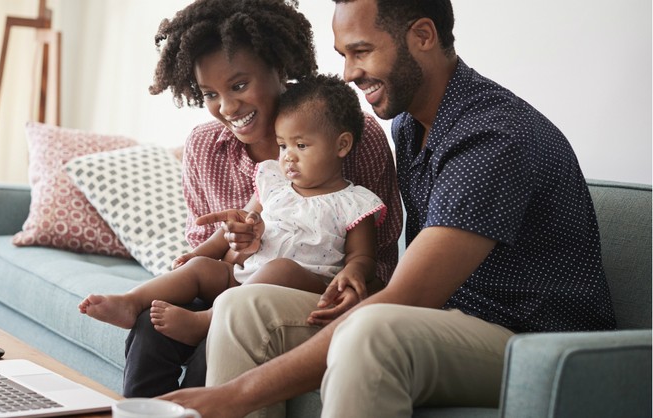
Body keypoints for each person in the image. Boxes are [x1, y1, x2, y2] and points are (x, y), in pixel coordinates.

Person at [157, 0, 617, 417]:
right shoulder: (411, 127)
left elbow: (407, 298)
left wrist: (235, 395)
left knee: (370, 333)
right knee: (244, 307)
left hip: (536, 343)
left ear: (422, 36)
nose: (348, 74)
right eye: (343, 55)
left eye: (361, 51)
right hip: (446, 320)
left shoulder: (492, 137)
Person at [121, 0, 404, 398]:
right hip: (229, 283)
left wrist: (349, 279)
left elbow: (381, 265)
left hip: (300, 293)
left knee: (219, 344)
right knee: (149, 327)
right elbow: (208, 261)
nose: (227, 107)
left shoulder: (355, 136)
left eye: (239, 85)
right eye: (210, 94)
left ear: (279, 67)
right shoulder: (204, 147)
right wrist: (238, 248)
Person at [79, 73, 387, 349]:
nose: (288, 158)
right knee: (200, 268)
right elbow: (238, 224)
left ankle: (207, 321)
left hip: (301, 286)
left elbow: (362, 257)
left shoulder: (354, 202)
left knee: (281, 268)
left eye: (301, 146)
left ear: (342, 145)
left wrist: (353, 272)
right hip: (244, 276)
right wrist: (200, 253)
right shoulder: (273, 183)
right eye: (282, 146)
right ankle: (131, 301)